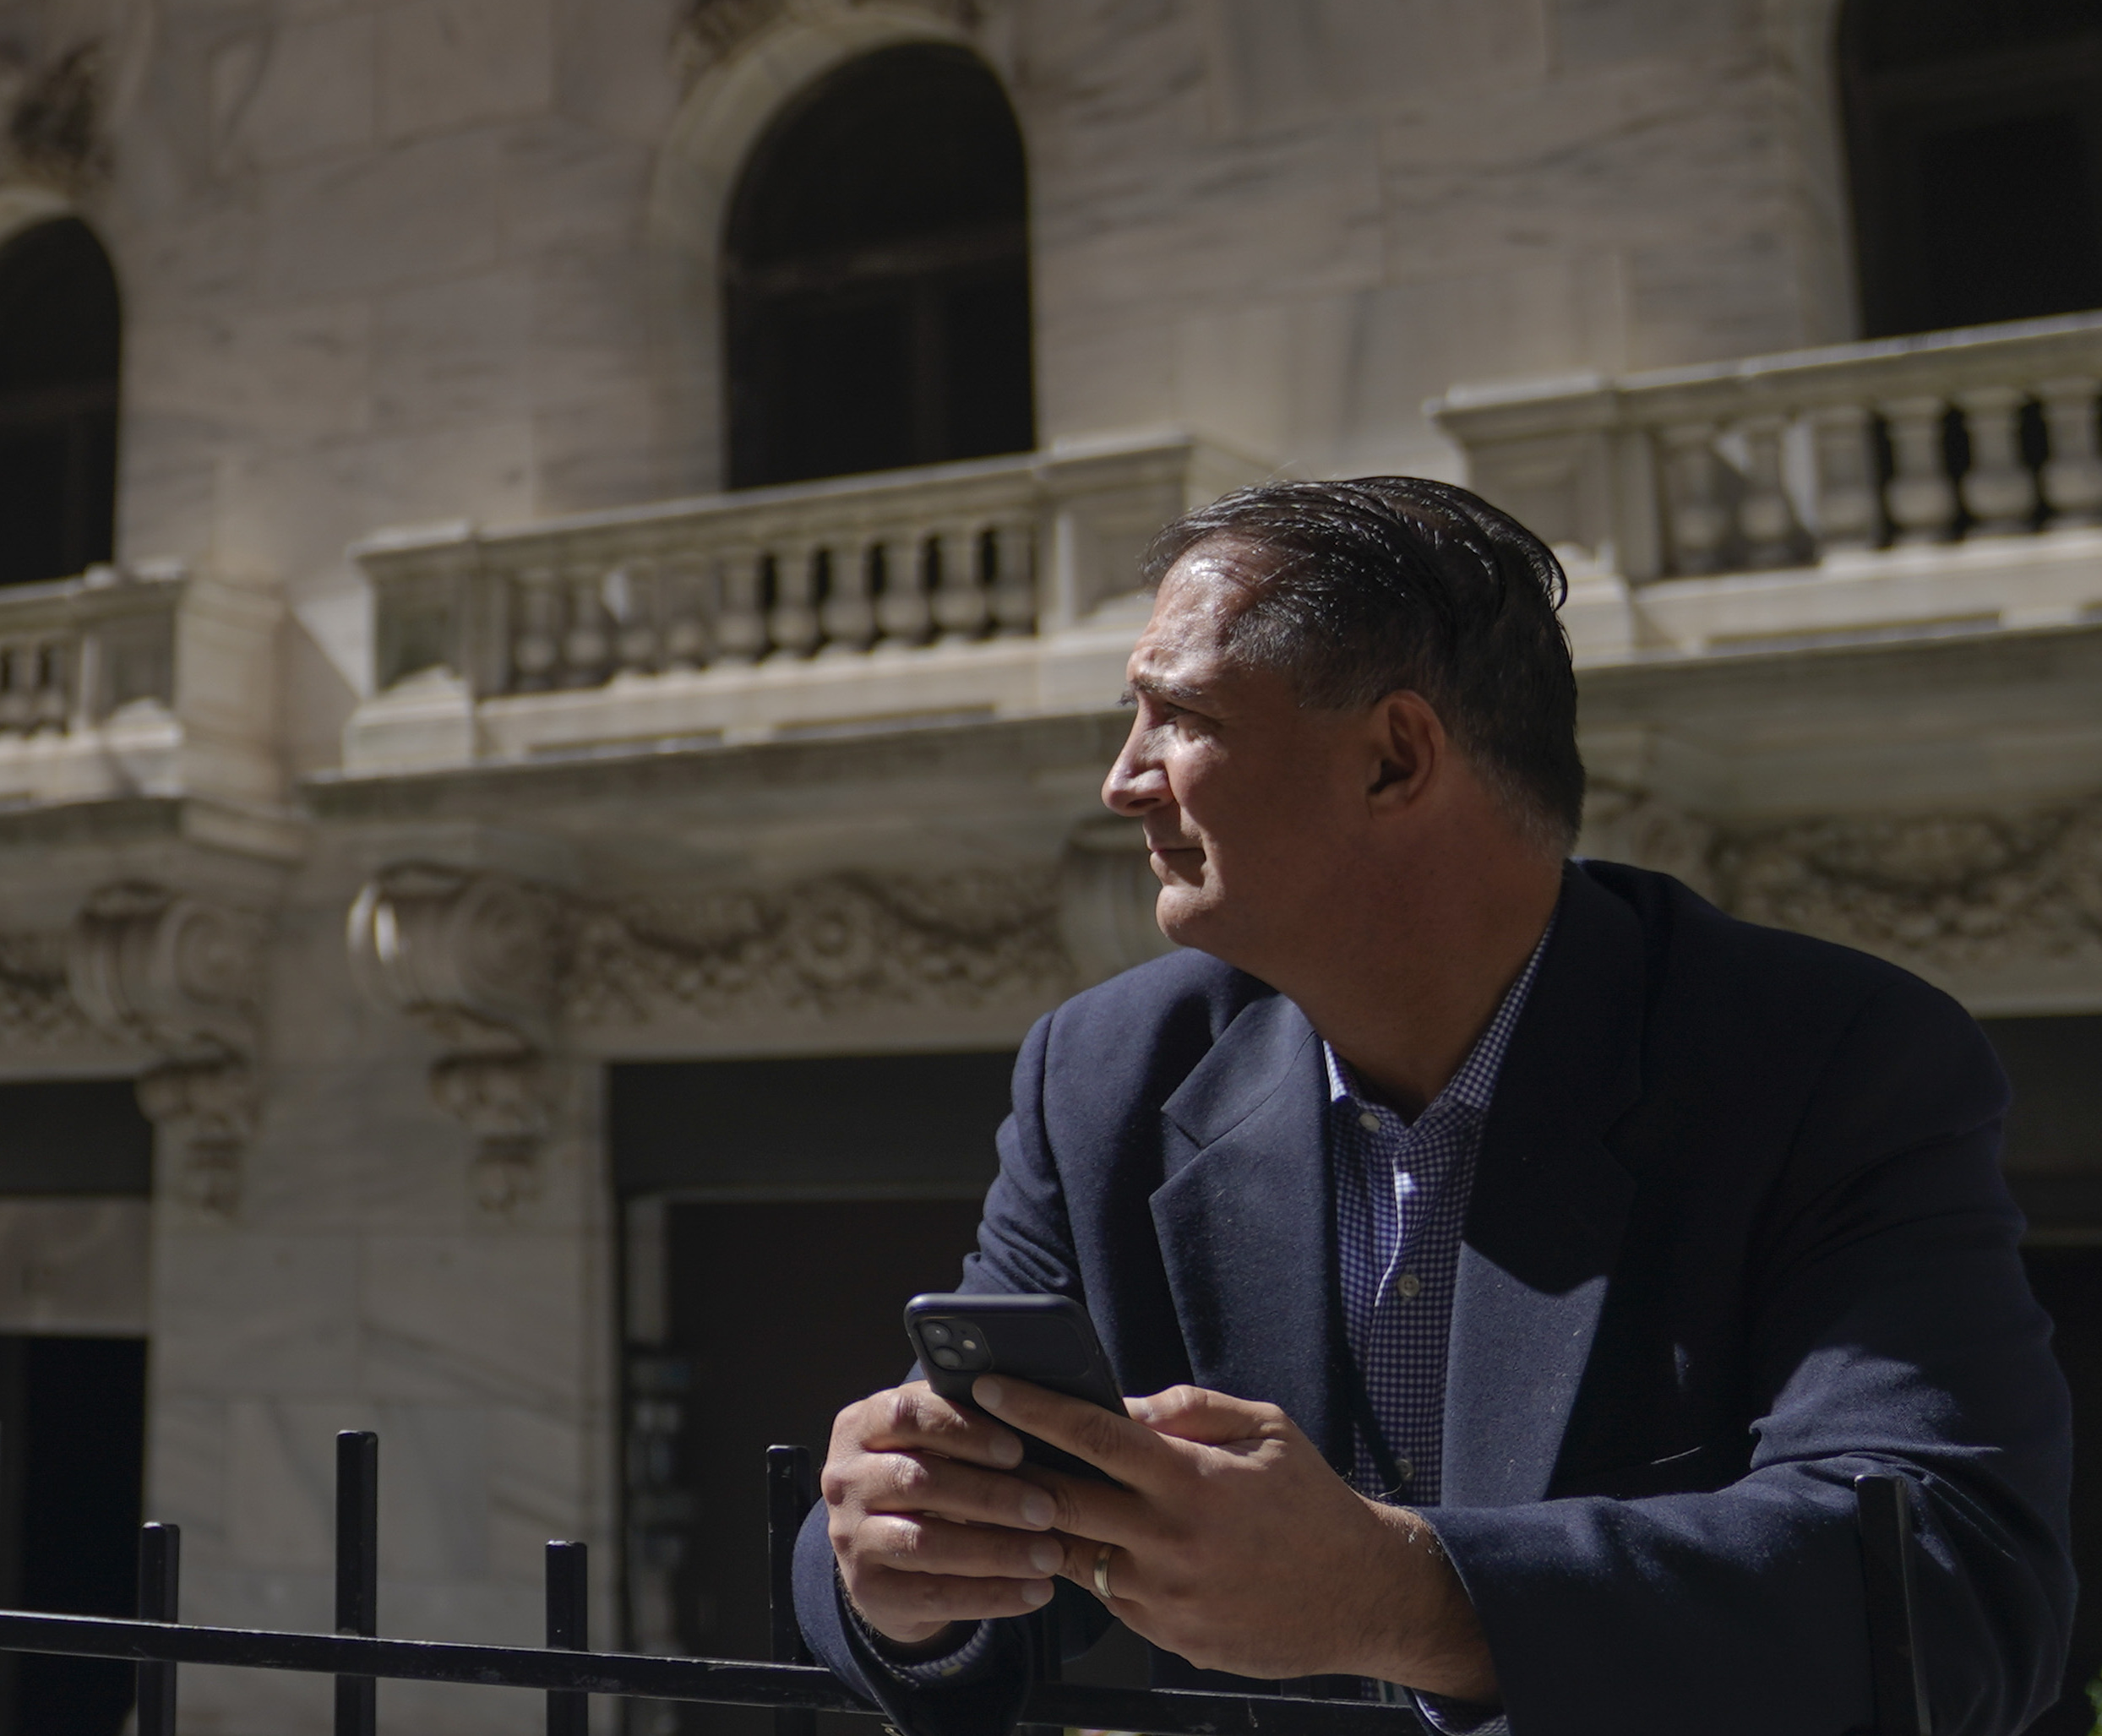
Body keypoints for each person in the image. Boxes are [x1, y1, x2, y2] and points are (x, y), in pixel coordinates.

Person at [796, 476, 2075, 1736]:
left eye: (1175, 717)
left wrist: (1407, 1598)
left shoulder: (1830, 1060)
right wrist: (907, 1576)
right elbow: (956, 1546)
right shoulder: (1104, 1074)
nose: (1124, 782)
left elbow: (1952, 1588)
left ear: (1397, 758)